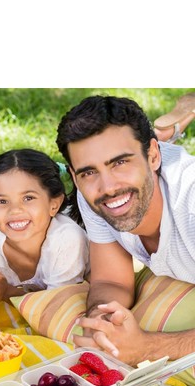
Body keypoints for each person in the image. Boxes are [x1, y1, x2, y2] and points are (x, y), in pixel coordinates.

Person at [56, 94, 195, 365]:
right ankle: (172, 127)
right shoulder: (94, 194)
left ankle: (173, 125)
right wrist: (102, 321)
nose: (108, 187)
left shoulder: (190, 206)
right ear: (75, 176)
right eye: (88, 172)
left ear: (153, 156)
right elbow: (111, 281)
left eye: (119, 162)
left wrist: (148, 347)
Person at [0, 149, 89, 304]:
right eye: (2, 201)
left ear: (54, 204)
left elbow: (57, 306)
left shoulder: (67, 239)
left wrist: (7, 291)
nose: (15, 210)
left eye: (28, 198)